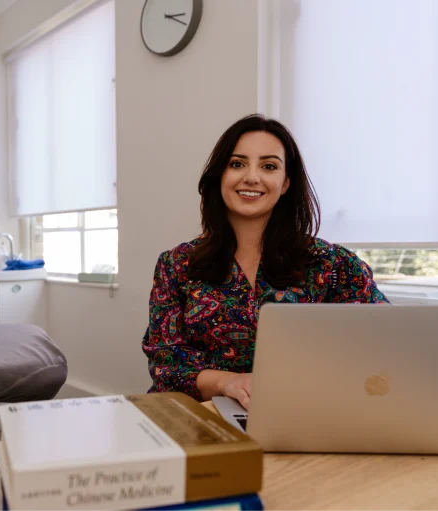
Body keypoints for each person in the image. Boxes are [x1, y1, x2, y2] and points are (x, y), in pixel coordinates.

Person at [141, 114, 388, 409]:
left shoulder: (335, 265)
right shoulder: (176, 264)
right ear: (220, 174)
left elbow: (382, 346)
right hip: (198, 417)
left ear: (285, 183)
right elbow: (165, 364)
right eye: (237, 164)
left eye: (268, 166)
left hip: (307, 414)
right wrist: (228, 382)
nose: (252, 177)